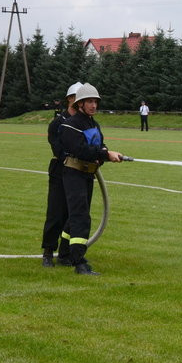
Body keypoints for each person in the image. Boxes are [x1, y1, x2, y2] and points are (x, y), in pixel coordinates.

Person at [58, 83, 123, 275]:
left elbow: (98, 145)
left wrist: (106, 154)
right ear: (80, 104)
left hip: (87, 174)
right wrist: (104, 153)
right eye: (89, 102)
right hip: (74, 174)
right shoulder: (71, 125)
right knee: (81, 217)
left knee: (74, 216)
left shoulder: (93, 124)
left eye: (95, 102)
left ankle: (64, 254)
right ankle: (79, 261)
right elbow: (80, 150)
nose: (93, 105)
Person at [41, 82, 83, 267]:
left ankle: (65, 253)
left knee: (74, 215)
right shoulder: (58, 123)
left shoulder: (85, 122)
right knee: (56, 213)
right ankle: (48, 252)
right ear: (70, 99)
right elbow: (58, 148)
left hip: (80, 173)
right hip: (61, 171)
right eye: (77, 98)